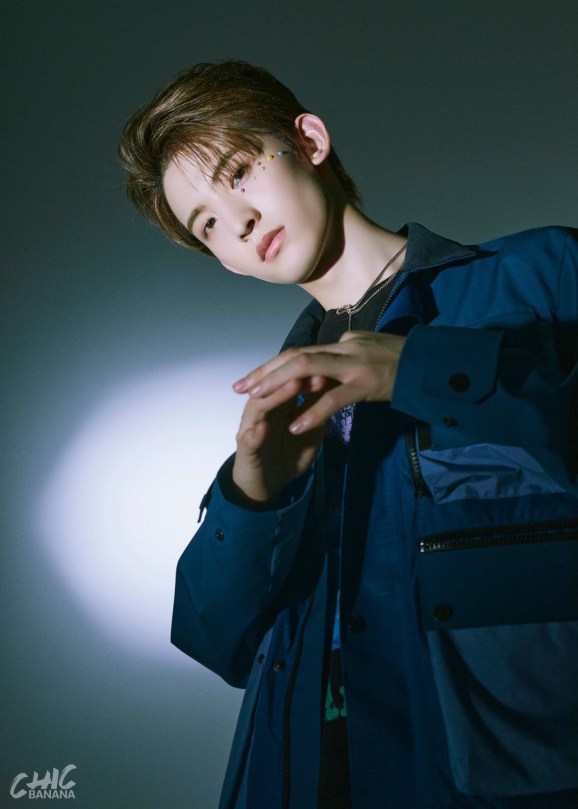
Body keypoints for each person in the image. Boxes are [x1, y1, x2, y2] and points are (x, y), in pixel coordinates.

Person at [119, 60, 578, 809]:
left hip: (488, 769)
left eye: (238, 172)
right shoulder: (280, 396)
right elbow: (217, 639)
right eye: (207, 225)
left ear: (309, 141)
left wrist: (421, 371)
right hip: (304, 773)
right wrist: (253, 495)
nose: (236, 222)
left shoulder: (545, 274)